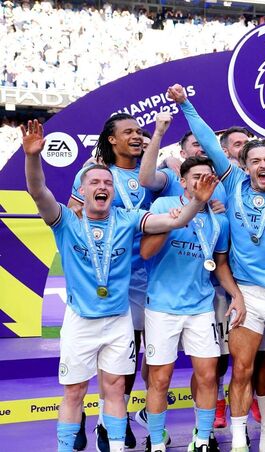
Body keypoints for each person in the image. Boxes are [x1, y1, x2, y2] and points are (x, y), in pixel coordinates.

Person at [20, 120, 217, 452]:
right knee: (74, 391)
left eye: (107, 183)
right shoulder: (66, 221)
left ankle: (113, 443)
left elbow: (174, 220)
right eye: (94, 182)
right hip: (80, 320)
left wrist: (197, 201)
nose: (102, 186)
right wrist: (32, 157)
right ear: (81, 191)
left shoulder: (128, 219)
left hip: (119, 316)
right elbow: (38, 191)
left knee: (114, 387)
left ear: (113, 190)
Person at [169, 82, 265, 452]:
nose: (263, 166)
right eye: (256, 160)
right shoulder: (235, 182)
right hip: (245, 294)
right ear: (244, 164)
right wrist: (186, 105)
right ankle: (241, 440)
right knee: (240, 370)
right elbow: (209, 141)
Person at [67, 112, 183, 450]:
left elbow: (181, 203)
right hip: (115, 278)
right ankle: (105, 420)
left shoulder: (158, 175)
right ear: (112, 139)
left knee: (156, 354)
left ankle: (139, 414)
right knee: (122, 357)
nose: (136, 135)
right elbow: (74, 221)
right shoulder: (95, 176)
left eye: (139, 131)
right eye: (127, 131)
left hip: (157, 273)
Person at [138, 156, 245, 452]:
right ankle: (156, 441)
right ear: (182, 182)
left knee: (209, 375)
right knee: (160, 378)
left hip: (201, 308)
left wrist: (236, 294)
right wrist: (173, 223)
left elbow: (220, 264)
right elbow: (146, 253)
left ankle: (201, 439)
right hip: (162, 307)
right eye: (196, 176)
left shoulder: (219, 220)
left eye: (209, 176)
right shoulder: (162, 207)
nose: (203, 181)